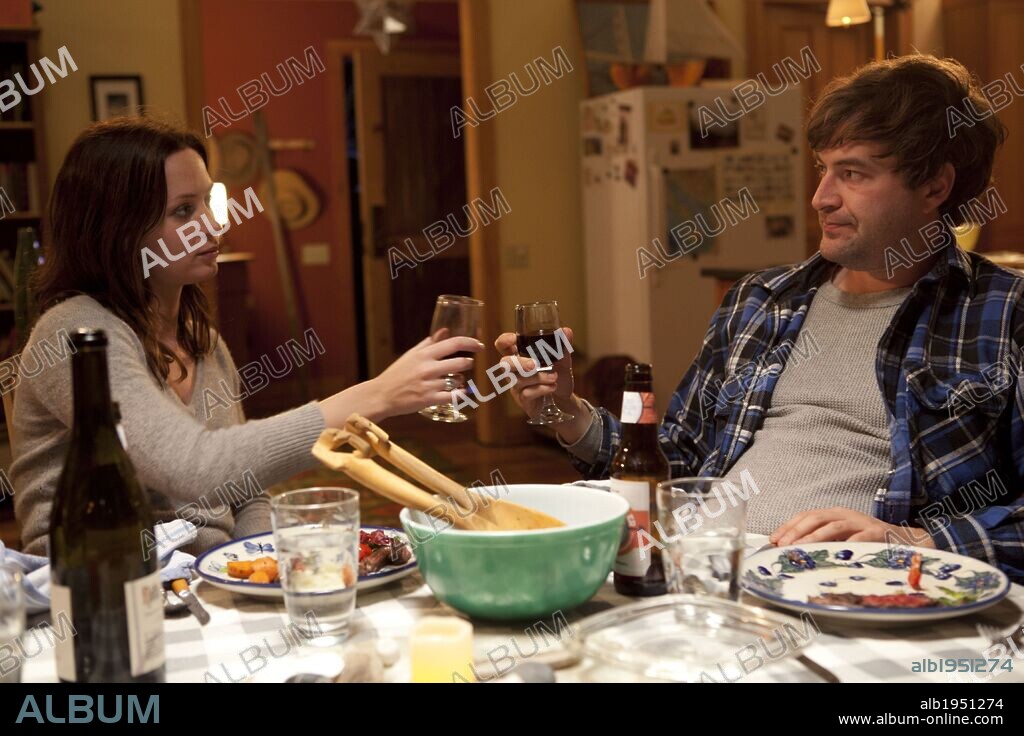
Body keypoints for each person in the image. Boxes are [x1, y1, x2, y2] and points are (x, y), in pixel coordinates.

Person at [497, 55, 1024, 581]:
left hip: (847, 591)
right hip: (694, 564)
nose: (821, 197)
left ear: (935, 186)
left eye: (853, 174)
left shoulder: (1003, 315)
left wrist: (917, 540)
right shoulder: (762, 299)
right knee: (500, 548)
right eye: (823, 169)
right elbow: (678, 460)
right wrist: (566, 412)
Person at [11, 116, 481, 556]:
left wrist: (258, 570)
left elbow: (244, 493)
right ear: (117, 228)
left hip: (208, 586)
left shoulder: (204, 342)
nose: (214, 226)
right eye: (182, 211)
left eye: (208, 204)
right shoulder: (76, 335)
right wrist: (375, 395)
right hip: (104, 597)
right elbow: (194, 469)